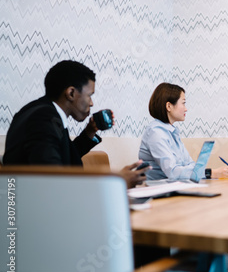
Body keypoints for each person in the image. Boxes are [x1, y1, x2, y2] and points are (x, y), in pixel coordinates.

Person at [2, 60, 148, 188]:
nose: (92, 103)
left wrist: (89, 132)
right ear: (71, 93)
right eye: (90, 95)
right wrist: (115, 182)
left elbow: (63, 158)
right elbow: (54, 181)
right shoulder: (43, 119)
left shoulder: (39, 111)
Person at [139, 82, 228, 181]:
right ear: (169, 106)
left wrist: (205, 173)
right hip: (157, 190)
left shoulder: (172, 132)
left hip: (173, 186)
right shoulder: (155, 133)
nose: (186, 109)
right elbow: (172, 171)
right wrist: (211, 173)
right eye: (183, 103)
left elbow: (190, 164)